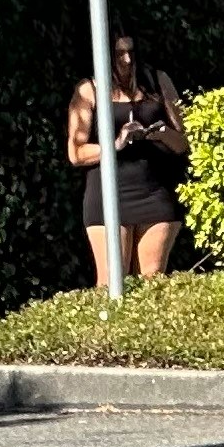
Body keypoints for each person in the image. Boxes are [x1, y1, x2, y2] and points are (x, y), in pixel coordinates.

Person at [65, 31, 190, 286]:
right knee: (112, 282)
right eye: (119, 53)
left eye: (131, 52)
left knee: (153, 280)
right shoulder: (89, 89)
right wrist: (116, 144)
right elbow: (76, 153)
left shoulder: (158, 81)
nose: (127, 60)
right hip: (108, 194)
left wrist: (162, 133)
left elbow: (184, 142)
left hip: (155, 191)